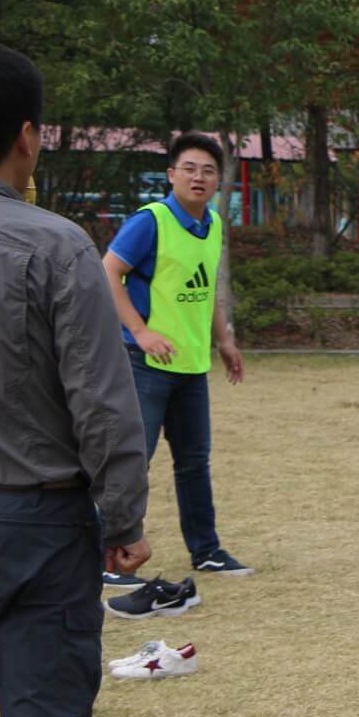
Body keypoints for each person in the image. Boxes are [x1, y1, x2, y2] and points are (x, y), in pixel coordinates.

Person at [0, 41, 166, 717]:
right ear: (28, 137)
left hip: (35, 521)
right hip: (35, 523)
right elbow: (103, 403)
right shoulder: (55, 246)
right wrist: (125, 516)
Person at [99, 131, 250, 592]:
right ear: (171, 175)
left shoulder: (213, 224)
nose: (198, 178)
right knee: (131, 464)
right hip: (144, 366)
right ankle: (105, 556)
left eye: (208, 171)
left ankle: (207, 551)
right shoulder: (151, 221)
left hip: (190, 367)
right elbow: (108, 271)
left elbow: (205, 288)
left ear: (218, 180)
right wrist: (141, 332)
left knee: (193, 463)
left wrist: (223, 340)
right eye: (189, 169)